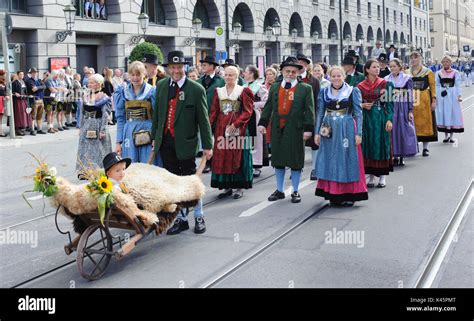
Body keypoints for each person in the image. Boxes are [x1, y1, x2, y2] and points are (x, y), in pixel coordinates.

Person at [151, 50, 213, 235]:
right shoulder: (161, 86)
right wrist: (155, 137)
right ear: (168, 69)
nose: (176, 70)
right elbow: (158, 116)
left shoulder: (196, 89)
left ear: (184, 67)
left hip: (186, 143)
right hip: (166, 142)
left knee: (191, 182)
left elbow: (203, 120)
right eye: (173, 67)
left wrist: (208, 146)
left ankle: (199, 215)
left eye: (179, 67)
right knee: (172, 183)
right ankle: (181, 219)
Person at [258, 57, 315, 203]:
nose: (290, 74)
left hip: (296, 128)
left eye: (293, 71)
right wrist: (262, 123)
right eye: (287, 71)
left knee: (296, 160)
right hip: (277, 127)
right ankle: (280, 190)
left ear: (298, 72)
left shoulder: (305, 88)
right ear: (282, 71)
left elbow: (309, 110)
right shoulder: (276, 87)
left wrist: (308, 129)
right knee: (278, 159)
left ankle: (295, 191)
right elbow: (269, 106)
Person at [314, 66, 368, 206]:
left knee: (347, 158)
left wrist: (359, 133)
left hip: (347, 127)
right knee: (329, 158)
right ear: (329, 77)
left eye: (339, 76)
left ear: (344, 77)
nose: (336, 78)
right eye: (333, 76)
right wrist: (317, 132)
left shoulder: (352, 91)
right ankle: (332, 192)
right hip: (328, 126)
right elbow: (320, 112)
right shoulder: (324, 91)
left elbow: (358, 113)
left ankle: (348, 193)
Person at [209, 65, 254, 199]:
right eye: (226, 75)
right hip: (222, 128)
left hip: (238, 129)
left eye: (231, 75)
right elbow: (214, 111)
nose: (228, 77)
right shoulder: (219, 91)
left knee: (238, 157)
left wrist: (236, 124)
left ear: (237, 76)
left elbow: (248, 111)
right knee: (223, 157)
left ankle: (239, 187)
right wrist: (208, 127)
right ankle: (226, 186)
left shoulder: (243, 91)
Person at [358, 58, 394, 188]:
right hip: (366, 118)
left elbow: (390, 104)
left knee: (381, 143)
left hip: (380, 116)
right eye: (374, 67)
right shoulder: (360, 86)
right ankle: (371, 176)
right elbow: (355, 104)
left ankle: (382, 176)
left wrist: (389, 119)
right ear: (367, 70)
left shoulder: (386, 84)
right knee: (368, 144)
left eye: (378, 67)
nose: (377, 69)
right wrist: (362, 105)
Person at [114, 61, 158, 165]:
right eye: (132, 75)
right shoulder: (123, 92)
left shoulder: (151, 91)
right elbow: (120, 118)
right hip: (129, 132)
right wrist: (118, 142)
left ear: (144, 74)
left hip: (148, 132)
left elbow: (157, 117)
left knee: (148, 166)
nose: (135, 78)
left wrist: (155, 138)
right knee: (131, 166)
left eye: (138, 74)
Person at [76, 73, 112, 175]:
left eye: (91, 82)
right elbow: (82, 113)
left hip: (98, 124)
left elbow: (105, 116)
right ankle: (85, 170)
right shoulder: (85, 96)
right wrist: (80, 127)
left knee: (98, 150)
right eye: (88, 83)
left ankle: (99, 171)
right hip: (86, 125)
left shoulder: (104, 98)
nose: (88, 84)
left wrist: (103, 130)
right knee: (85, 148)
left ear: (98, 84)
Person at [384, 59, 418, 166]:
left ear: (399, 67)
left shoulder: (407, 79)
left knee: (403, 130)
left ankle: (402, 155)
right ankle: (393, 155)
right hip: (391, 106)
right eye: (391, 66)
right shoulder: (386, 79)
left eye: (394, 66)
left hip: (402, 106)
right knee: (392, 130)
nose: (392, 68)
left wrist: (410, 110)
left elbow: (410, 95)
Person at [406, 51, 437, 156]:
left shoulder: (427, 72)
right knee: (411, 123)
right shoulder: (406, 72)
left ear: (420, 59)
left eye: (416, 58)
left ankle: (425, 148)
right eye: (412, 58)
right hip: (410, 100)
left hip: (424, 100)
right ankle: (413, 147)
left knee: (425, 123)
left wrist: (434, 100)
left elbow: (433, 87)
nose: (414, 60)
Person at [197, 55, 225, 173]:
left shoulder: (221, 81)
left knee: (218, 139)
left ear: (212, 66)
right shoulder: (199, 81)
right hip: (203, 116)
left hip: (217, 115)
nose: (202, 67)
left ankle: (218, 162)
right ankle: (207, 163)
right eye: (202, 65)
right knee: (206, 140)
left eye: (205, 65)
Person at [297, 54, 320, 181]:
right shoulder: (292, 78)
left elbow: (317, 100)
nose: (300, 64)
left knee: (314, 144)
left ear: (306, 65)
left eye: (302, 62)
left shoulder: (314, 81)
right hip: (296, 118)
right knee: (297, 144)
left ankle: (315, 169)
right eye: (297, 62)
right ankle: (297, 168)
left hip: (311, 116)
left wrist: (316, 117)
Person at [243, 64, 269, 178]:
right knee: (247, 139)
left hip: (254, 115)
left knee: (256, 140)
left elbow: (267, 101)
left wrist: (254, 105)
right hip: (244, 115)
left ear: (252, 74)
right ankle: (248, 163)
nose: (244, 73)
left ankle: (257, 165)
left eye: (246, 72)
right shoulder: (243, 85)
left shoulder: (259, 86)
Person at [435, 56, 464, 143]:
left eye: (447, 62)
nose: (445, 63)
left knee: (452, 113)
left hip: (452, 94)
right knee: (443, 113)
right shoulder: (438, 73)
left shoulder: (455, 72)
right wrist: (437, 95)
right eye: (444, 62)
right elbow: (436, 85)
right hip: (442, 94)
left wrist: (459, 95)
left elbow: (458, 84)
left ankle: (451, 136)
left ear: (450, 63)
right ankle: (446, 135)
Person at [25, 68, 46, 135]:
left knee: (40, 115)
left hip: (40, 99)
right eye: (33, 72)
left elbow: (44, 86)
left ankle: (39, 129)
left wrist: (38, 87)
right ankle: (32, 129)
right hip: (34, 100)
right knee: (33, 116)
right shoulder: (29, 81)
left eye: (36, 72)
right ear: (31, 73)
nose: (35, 73)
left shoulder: (39, 80)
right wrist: (40, 87)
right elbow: (33, 90)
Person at [12, 71, 30, 136]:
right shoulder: (14, 83)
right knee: (18, 114)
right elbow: (11, 91)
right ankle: (17, 129)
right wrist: (15, 93)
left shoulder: (23, 82)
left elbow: (25, 91)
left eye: (22, 74)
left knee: (23, 113)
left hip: (23, 99)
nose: (22, 75)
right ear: (17, 75)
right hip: (17, 101)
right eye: (20, 74)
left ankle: (22, 127)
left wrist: (26, 95)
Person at [0, 70, 9, 137]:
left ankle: (1, 131)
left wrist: (6, 95)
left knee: (1, 117)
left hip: (2, 100)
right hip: (0, 100)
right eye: (4, 74)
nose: (5, 75)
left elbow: (5, 91)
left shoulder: (4, 82)